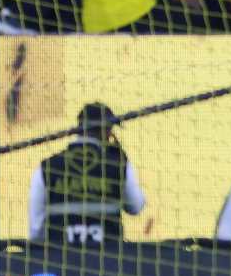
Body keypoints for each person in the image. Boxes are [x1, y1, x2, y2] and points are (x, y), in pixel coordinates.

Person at [28, 102, 146, 246]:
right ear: (106, 130)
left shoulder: (47, 166)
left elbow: (35, 227)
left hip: (59, 257)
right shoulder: (117, 163)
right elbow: (136, 206)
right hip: (108, 258)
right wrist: (120, 159)